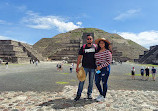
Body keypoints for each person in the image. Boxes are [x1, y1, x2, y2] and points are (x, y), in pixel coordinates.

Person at [74, 34, 96, 101]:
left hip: (93, 67)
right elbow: (79, 57)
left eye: (90, 39)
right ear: (86, 40)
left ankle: (89, 94)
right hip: (84, 67)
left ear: (92, 40)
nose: (89, 40)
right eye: (88, 39)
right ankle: (78, 94)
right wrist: (77, 66)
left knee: (91, 82)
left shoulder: (95, 47)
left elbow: (98, 57)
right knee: (81, 81)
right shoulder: (83, 47)